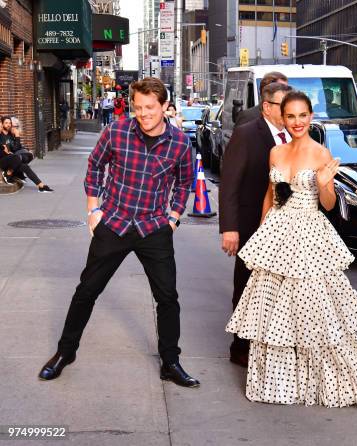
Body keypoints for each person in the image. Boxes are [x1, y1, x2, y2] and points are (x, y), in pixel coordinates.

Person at [225, 91, 357, 407]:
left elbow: (327, 204)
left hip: (309, 235)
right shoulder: (276, 152)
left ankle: (333, 382)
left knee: (316, 311)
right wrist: (261, 238)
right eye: (291, 116)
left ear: (310, 117)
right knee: (273, 312)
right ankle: (279, 384)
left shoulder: (321, 154)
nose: (297, 122)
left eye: (302, 115)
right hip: (277, 233)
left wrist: (325, 182)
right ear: (282, 118)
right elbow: (270, 196)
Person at [37, 77, 199, 388]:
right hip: (115, 222)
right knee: (87, 291)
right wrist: (93, 210)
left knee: (167, 297)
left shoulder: (180, 143)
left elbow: (184, 183)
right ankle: (65, 352)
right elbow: (95, 165)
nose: (144, 114)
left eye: (150, 108)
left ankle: (170, 361)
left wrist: (174, 218)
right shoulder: (117, 130)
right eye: (138, 108)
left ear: (165, 106)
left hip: (154, 227)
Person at [219, 82, 293, 367]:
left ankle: (270, 346)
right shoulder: (247, 134)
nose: (288, 113)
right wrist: (229, 227)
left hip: (286, 229)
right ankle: (240, 348)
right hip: (251, 225)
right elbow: (229, 184)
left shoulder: (295, 136)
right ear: (267, 106)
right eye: (283, 108)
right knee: (246, 287)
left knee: (276, 291)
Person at [0, 116, 52, 192]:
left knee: (26, 165)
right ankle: (8, 173)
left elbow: (17, 148)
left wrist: (17, 136)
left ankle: (41, 186)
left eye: (10, 123)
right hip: (3, 160)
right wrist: (3, 149)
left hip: (11, 158)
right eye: (5, 123)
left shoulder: (11, 134)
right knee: (16, 157)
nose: (8, 125)